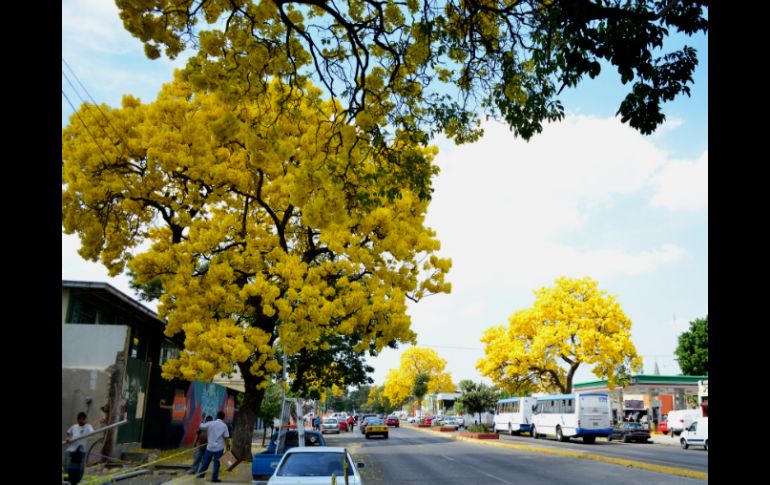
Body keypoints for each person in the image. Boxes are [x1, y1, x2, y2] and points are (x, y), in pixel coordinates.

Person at [196, 411, 231, 483]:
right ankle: (214, 478)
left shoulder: (210, 423)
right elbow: (226, 438)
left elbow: (201, 426)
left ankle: (200, 476)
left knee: (205, 462)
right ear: (223, 417)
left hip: (210, 447)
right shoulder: (224, 426)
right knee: (216, 464)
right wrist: (227, 447)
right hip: (219, 448)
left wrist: (202, 418)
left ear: (217, 416)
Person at [65, 412, 95, 485]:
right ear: (78, 419)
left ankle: (79, 479)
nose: (83, 421)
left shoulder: (88, 426)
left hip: (81, 448)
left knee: (81, 464)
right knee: (68, 463)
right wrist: (68, 437)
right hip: (72, 448)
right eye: (81, 419)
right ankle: (67, 478)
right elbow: (68, 432)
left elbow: (92, 433)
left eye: (84, 419)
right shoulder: (74, 426)